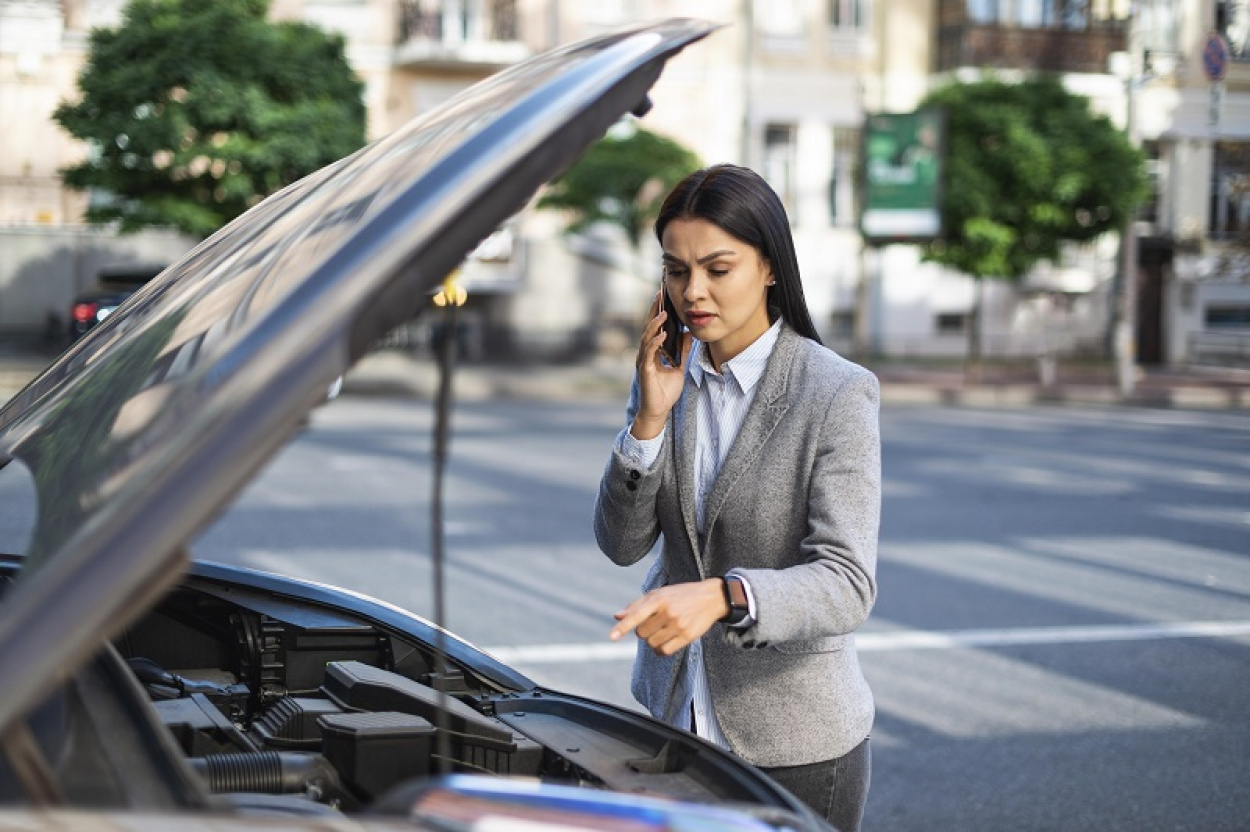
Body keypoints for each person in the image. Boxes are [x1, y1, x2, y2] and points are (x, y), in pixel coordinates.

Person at [593, 164, 881, 831]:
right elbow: (621, 543)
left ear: (770, 267)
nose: (693, 291)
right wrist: (648, 422)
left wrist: (725, 595)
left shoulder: (836, 392)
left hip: (795, 742)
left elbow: (847, 583)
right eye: (675, 270)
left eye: (718, 269)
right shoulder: (667, 375)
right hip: (676, 722)